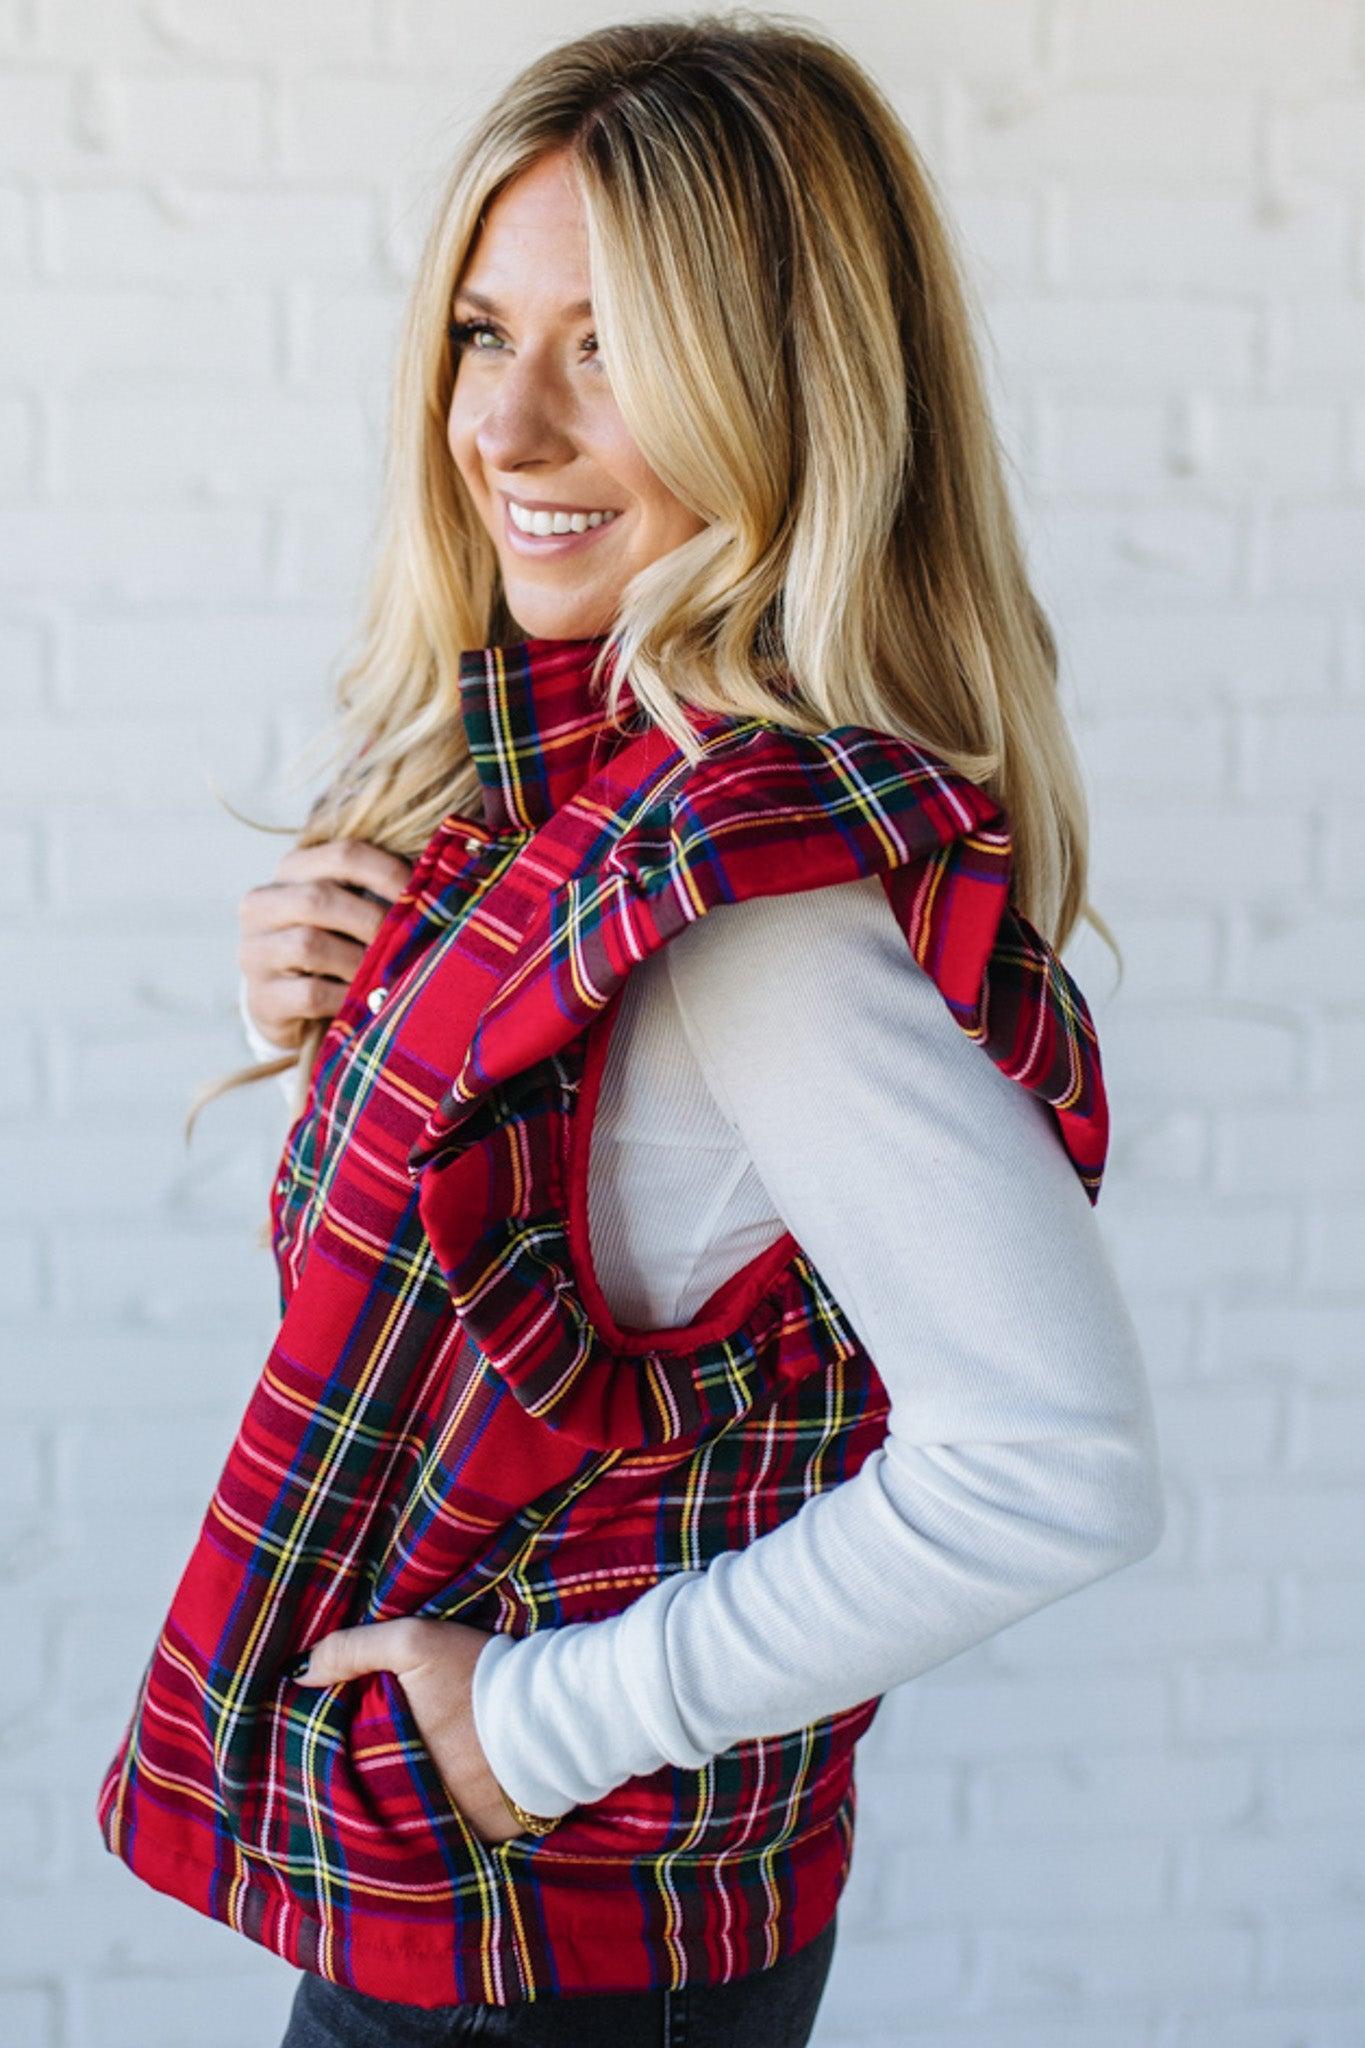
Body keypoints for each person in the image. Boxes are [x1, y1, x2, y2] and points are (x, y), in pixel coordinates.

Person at [99, 17, 1165, 2047]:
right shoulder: (581, 800)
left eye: (607, 345)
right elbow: (555, 1272)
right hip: (505, 1915)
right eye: (483, 335)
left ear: (787, 388)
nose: (503, 427)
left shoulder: (744, 892)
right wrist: (325, 1011)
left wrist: (536, 1721)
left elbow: (1049, 1463)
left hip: (549, 1937)